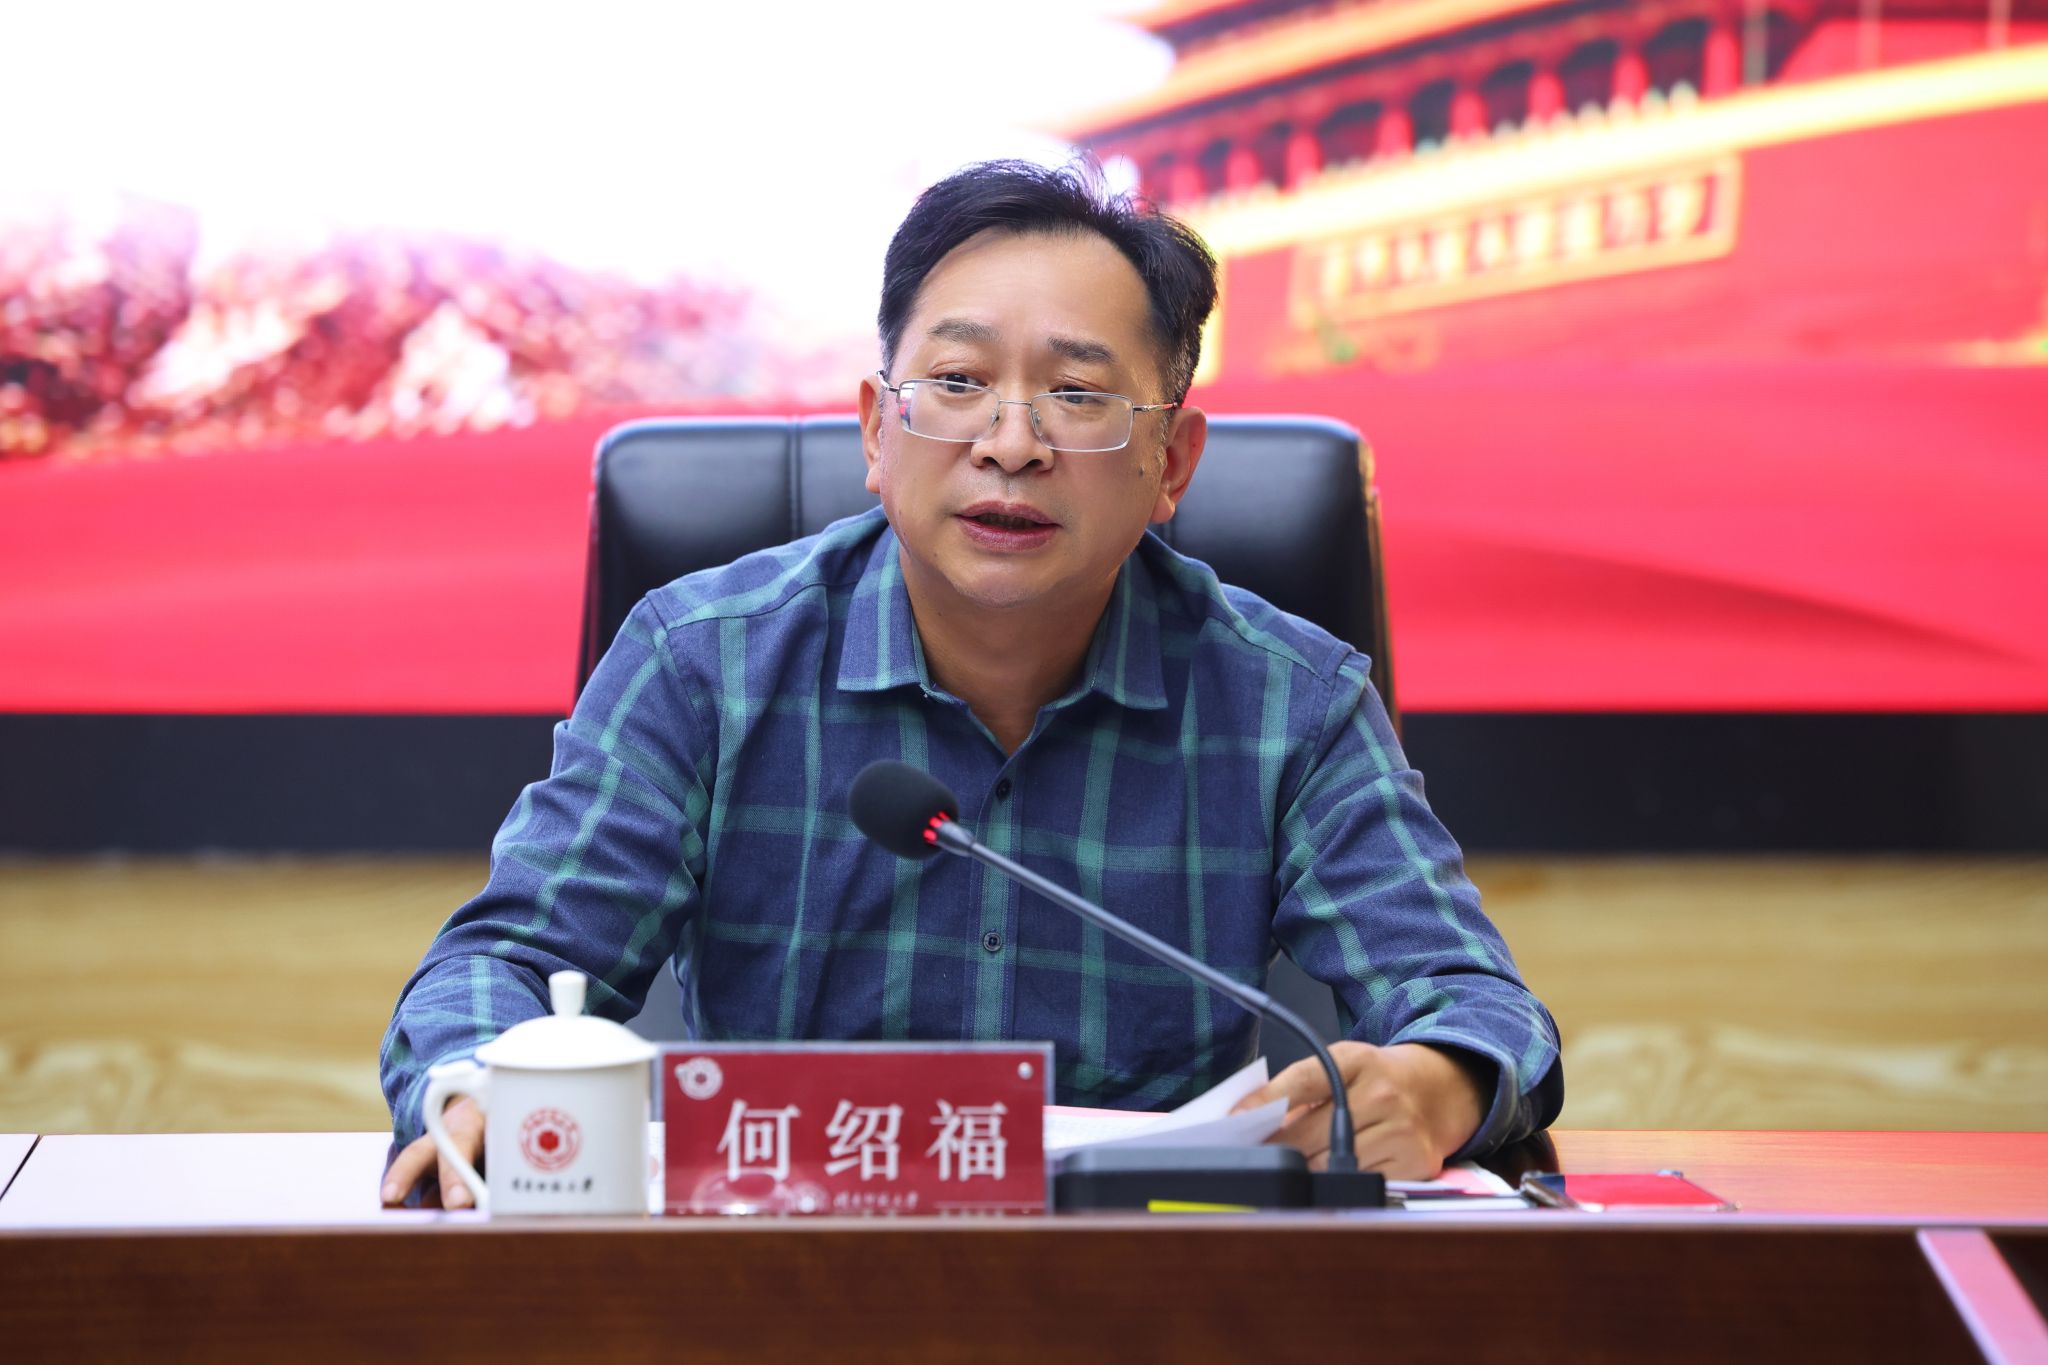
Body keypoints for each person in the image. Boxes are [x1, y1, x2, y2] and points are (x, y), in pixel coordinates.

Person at [379, 160, 1562, 1208]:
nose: (1009, 443)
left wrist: (1438, 1082)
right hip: (778, 1277)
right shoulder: (703, 663)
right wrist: (472, 1087)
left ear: (1170, 462)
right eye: (955, 381)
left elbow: (1469, 998)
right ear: (874, 431)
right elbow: (504, 961)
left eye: (1077, 394)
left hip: (1141, 1293)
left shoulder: (1286, 702)